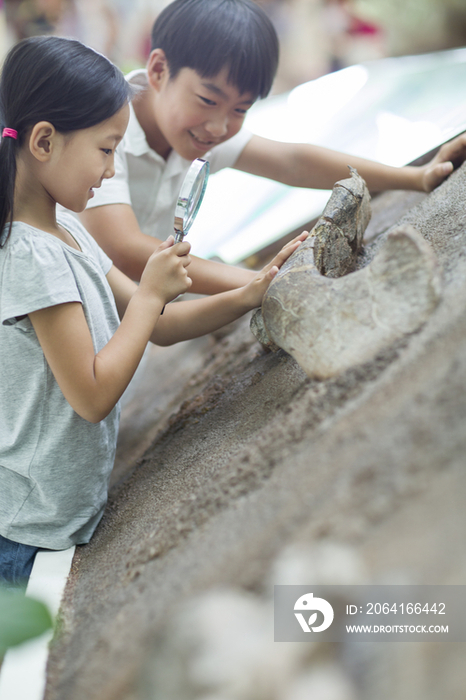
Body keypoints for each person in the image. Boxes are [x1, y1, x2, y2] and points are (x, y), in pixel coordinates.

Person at [0, 35, 306, 588]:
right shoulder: (28, 257)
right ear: (44, 141)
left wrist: (249, 292)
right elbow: (91, 396)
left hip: (57, 520)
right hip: (24, 536)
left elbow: (157, 328)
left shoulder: (66, 228)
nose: (111, 168)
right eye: (105, 148)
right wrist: (148, 295)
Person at [79, 0, 466, 287]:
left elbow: (292, 161)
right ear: (160, 70)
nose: (219, 126)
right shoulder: (100, 127)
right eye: (209, 100)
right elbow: (126, 248)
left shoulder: (192, 124)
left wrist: (417, 177)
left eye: (240, 109)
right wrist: (265, 280)